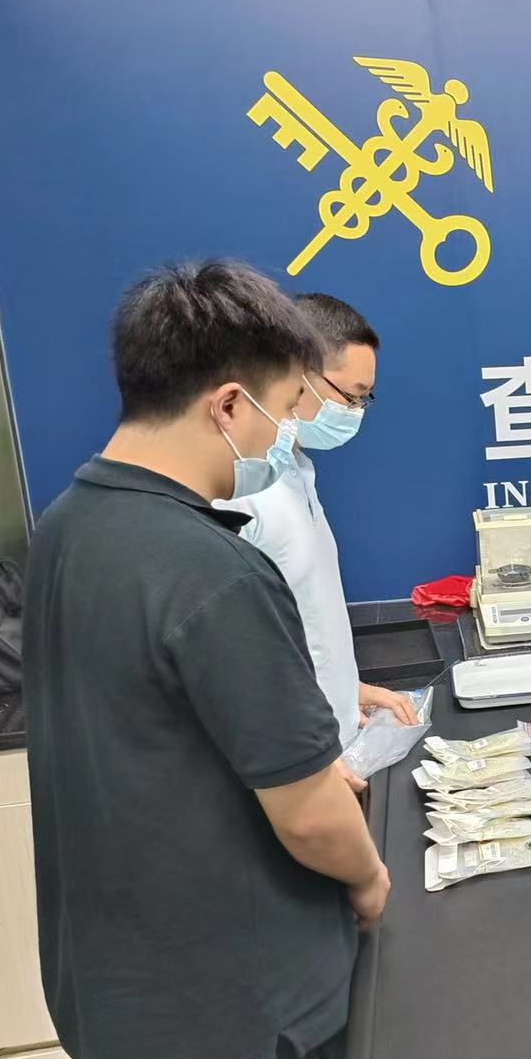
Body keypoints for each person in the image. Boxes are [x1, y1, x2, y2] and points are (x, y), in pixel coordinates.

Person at [24, 261, 391, 1059]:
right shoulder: (208, 567)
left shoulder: (70, 524)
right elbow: (309, 814)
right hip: (228, 1026)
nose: (285, 433)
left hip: (122, 996)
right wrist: (368, 877)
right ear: (228, 405)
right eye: (284, 407)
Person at [218, 292, 418, 756]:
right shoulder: (237, 491)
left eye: (365, 400)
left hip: (328, 743)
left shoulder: (294, 470)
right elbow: (234, 662)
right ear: (295, 374)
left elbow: (306, 618)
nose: (355, 411)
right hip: (293, 759)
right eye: (351, 396)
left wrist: (346, 689)